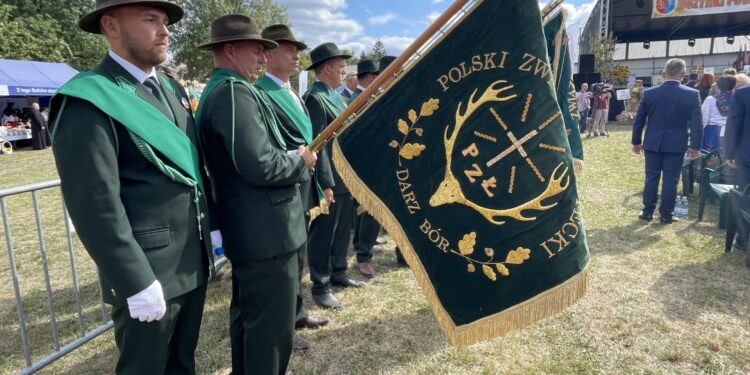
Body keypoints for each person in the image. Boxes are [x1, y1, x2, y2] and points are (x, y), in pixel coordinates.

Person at [48, 1, 219, 373]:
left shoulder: (170, 88)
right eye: (150, 20)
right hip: (148, 270)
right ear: (111, 25)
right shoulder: (89, 98)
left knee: (181, 363)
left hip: (190, 259)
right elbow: (95, 206)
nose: (165, 30)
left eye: (165, 21)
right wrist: (135, 281)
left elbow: (192, 170)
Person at [196, 14, 316, 375]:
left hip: (258, 229)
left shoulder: (230, 90)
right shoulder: (233, 94)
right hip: (267, 231)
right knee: (271, 329)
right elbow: (261, 165)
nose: (264, 58)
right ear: (230, 50)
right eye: (256, 50)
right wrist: (300, 160)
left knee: (251, 318)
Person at [255, 23, 333, 350]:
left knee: (297, 256)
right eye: (289, 50)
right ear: (269, 53)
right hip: (282, 187)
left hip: (303, 183)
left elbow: (315, 143)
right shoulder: (260, 92)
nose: (296, 56)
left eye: (297, 50)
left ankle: (297, 312)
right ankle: (283, 326)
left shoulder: (293, 94)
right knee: (283, 266)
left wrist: (324, 182)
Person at [304, 42, 365, 310]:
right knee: (324, 234)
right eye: (340, 66)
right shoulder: (314, 98)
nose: (344, 70)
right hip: (330, 177)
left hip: (346, 175)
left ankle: (339, 272)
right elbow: (317, 145)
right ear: (326, 68)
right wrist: (324, 182)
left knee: (341, 230)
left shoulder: (336, 97)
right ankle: (321, 285)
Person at [632, 58, 702, 224]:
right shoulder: (692, 94)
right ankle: (666, 214)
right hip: (676, 143)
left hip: (653, 142)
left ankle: (647, 211)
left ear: (664, 72)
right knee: (671, 179)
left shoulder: (650, 93)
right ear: (683, 74)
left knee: (651, 177)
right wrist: (695, 146)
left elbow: (639, 120)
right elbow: (697, 123)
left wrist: (636, 141)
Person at [347, 59, 382, 278]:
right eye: (377, 76)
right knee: (370, 209)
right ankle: (363, 256)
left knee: (365, 210)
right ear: (369, 77)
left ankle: (362, 249)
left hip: (368, 160)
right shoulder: (360, 99)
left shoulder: (362, 97)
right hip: (366, 162)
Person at [726, 76, 750, 266]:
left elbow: (733, 125)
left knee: (746, 196)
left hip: (746, 155)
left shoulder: (743, 94)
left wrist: (729, 153)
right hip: (745, 156)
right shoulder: (742, 94)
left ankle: (744, 239)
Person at [702, 76, 736, 151]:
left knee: (710, 156)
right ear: (733, 85)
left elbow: (704, 118)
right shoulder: (738, 100)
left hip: (712, 131)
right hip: (731, 130)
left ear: (718, 86)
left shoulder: (710, 99)